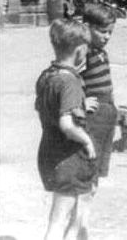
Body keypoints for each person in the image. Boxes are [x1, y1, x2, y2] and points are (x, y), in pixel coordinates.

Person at [36, 19, 98, 240]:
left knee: (64, 217)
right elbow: (66, 124)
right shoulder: (70, 81)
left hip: (49, 152)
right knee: (62, 220)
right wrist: (87, 141)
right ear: (80, 50)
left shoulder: (47, 75)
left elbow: (50, 110)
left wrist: (81, 105)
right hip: (68, 156)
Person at [81, 3, 118, 182]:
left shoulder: (99, 51)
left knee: (101, 164)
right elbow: (72, 80)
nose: (107, 36)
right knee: (89, 165)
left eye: (110, 32)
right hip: (93, 115)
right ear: (87, 27)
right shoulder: (83, 51)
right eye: (103, 31)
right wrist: (82, 102)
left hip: (106, 111)